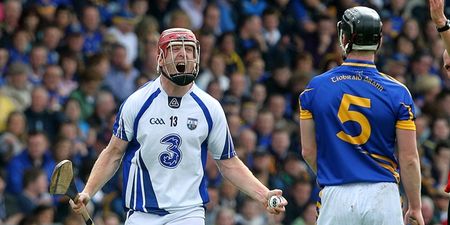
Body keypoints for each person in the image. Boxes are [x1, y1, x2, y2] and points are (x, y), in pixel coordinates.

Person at [71, 28, 287, 224]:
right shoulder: (137, 103)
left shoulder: (210, 108)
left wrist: (263, 194)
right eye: (175, 50)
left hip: (188, 212)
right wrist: (88, 191)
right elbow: (113, 154)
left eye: (190, 50)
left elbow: (229, 163)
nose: (184, 55)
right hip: (142, 212)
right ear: (160, 58)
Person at [299, 6, 424, 225]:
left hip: (336, 194)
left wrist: (335, 172)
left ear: (344, 37)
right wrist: (415, 206)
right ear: (379, 41)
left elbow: (308, 152)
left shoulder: (315, 88)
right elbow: (409, 159)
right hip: (382, 196)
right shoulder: (398, 92)